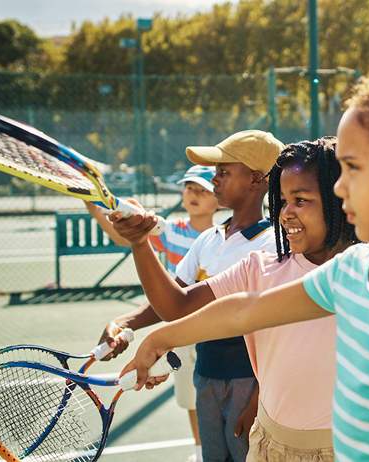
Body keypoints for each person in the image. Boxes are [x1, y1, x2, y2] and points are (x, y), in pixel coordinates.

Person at [121, 43, 369, 462]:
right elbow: (245, 310)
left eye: (353, 168)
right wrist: (161, 336)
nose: (340, 188)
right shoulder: (352, 271)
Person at [111, 137, 357, 461]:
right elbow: (182, 306)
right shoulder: (259, 267)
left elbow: (243, 310)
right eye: (283, 201)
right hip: (270, 444)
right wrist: (140, 244)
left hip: (343, 447)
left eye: (301, 200)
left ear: (340, 197)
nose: (286, 214)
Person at [103, 129, 284, 462]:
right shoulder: (209, 239)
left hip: (249, 380)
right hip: (207, 375)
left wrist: (259, 397)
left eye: (223, 172)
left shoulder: (272, 245)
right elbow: (175, 297)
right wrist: (127, 322)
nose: (213, 180)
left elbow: (280, 335)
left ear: (257, 180)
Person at [85, 165, 217, 462]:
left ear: (217, 199)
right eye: (189, 188)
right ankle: (200, 452)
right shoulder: (170, 230)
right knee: (191, 400)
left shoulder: (221, 238)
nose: (194, 194)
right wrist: (97, 210)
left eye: (203, 190)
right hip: (178, 332)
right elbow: (130, 233)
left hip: (213, 330)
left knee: (214, 395)